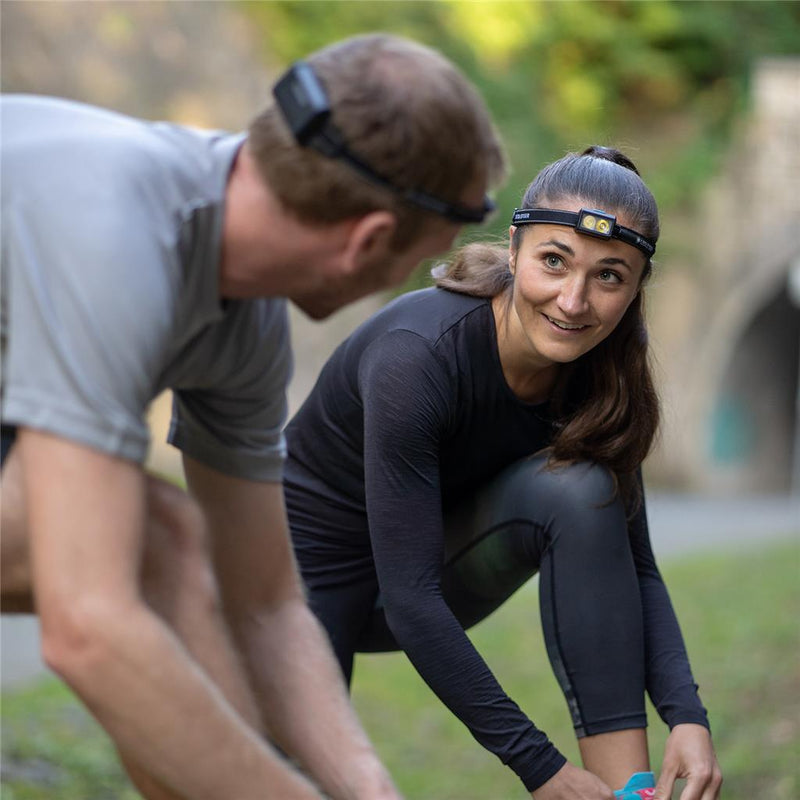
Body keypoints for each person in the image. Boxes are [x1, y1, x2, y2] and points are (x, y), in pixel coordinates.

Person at [0, 33, 506, 800]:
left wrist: (371, 792)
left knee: (173, 548)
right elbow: (88, 626)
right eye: (420, 260)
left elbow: (265, 601)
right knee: (153, 545)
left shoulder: (243, 312)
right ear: (368, 239)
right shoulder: (118, 234)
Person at [283, 146, 724, 800]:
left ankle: (628, 791)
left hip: (431, 574)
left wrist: (686, 713)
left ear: (635, 289)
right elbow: (411, 604)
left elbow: (635, 562)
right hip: (293, 591)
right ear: (514, 249)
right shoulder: (417, 358)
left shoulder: (602, 364)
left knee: (582, 492)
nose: (573, 302)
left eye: (609, 277)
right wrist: (540, 769)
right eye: (554, 261)